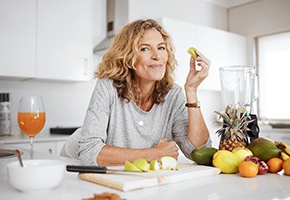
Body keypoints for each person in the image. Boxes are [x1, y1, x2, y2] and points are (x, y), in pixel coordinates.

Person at [62, 19, 211, 166]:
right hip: (74, 159)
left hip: (124, 169)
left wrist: (191, 91)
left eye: (161, 48)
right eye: (145, 48)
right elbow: (89, 152)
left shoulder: (173, 94)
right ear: (128, 58)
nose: (157, 56)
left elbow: (199, 152)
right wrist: (154, 154)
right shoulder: (107, 87)